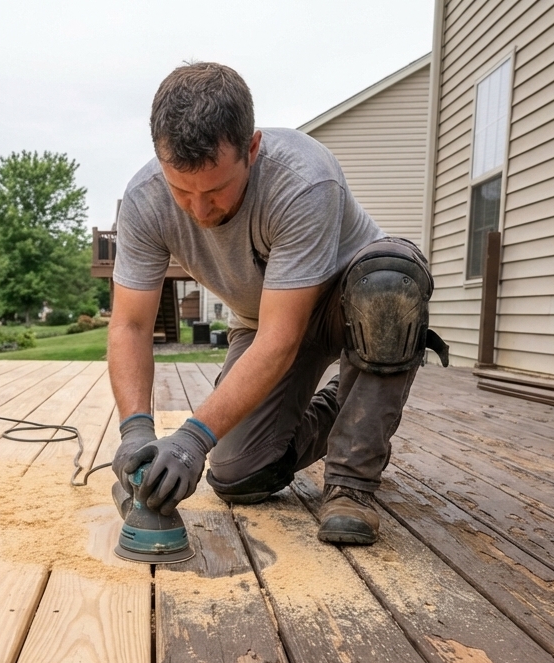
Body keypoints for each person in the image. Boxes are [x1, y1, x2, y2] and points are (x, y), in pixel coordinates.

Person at [109, 62, 447, 545]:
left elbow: (281, 339)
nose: (200, 210)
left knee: (388, 283)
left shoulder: (303, 179)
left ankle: (351, 483)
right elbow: (131, 326)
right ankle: (347, 402)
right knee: (238, 473)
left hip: (347, 304)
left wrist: (190, 439)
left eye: (216, 190)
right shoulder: (144, 200)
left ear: (251, 148)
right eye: (181, 190)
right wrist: (136, 431)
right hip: (264, 319)